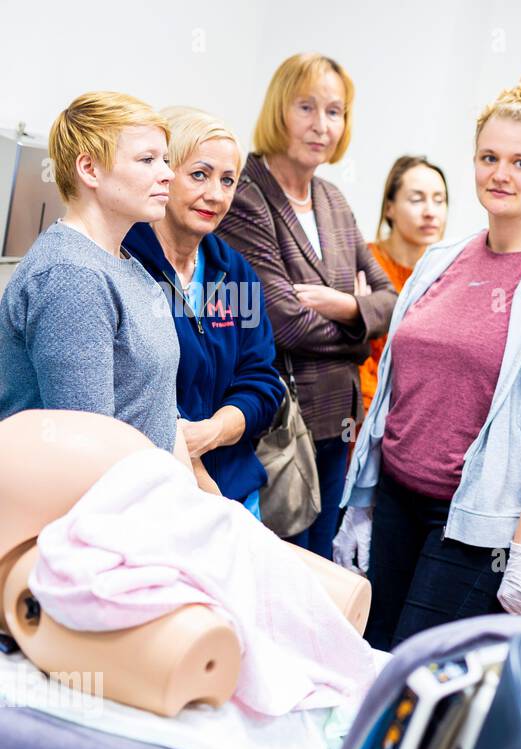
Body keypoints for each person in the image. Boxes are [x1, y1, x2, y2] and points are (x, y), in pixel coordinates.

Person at [335, 75, 521, 651]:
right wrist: (362, 502)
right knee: (365, 663)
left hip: (474, 524)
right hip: (395, 501)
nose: (501, 174)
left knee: (414, 679)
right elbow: (395, 382)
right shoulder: (441, 259)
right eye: (489, 158)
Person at [217, 53, 397, 556]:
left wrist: (342, 307)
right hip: (277, 427)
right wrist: (362, 327)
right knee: (275, 571)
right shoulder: (247, 194)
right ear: (279, 110)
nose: (322, 126)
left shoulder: (333, 200)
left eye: (335, 112)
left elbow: (393, 302)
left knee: (320, 574)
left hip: (336, 421)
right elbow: (284, 324)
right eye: (306, 108)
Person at [122, 107, 284, 515]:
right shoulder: (126, 264)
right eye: (200, 174)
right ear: (164, 174)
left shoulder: (233, 274)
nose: (216, 194)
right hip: (153, 492)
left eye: (227, 180)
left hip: (235, 492)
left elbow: (261, 380)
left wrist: (212, 432)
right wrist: (190, 462)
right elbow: (124, 386)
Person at [0, 92, 181, 453]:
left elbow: (157, 410)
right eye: (147, 159)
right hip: (100, 503)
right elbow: (86, 452)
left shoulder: (123, 262)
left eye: (165, 159)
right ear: (89, 170)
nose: (168, 174)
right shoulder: (71, 276)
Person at [360, 156, 449, 417]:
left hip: (425, 418)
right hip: (366, 413)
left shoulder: (449, 273)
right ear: (390, 208)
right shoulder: (364, 263)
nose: (430, 211)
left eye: (439, 200)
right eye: (417, 199)